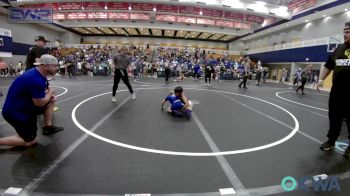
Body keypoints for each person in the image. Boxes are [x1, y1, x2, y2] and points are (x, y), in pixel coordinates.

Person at [0, 55, 64, 147]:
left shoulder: (39, 73)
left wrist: (49, 94)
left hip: (26, 106)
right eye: (54, 66)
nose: (57, 68)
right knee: (29, 142)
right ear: (46, 66)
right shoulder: (35, 79)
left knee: (50, 101)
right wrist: (50, 93)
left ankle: (47, 127)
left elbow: (44, 88)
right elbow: (40, 103)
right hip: (15, 112)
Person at [318, 22, 350, 158]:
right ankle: (331, 140)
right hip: (337, 91)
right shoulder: (338, 49)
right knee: (334, 117)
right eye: (344, 31)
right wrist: (320, 80)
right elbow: (328, 66)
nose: (344, 34)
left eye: (348, 31)